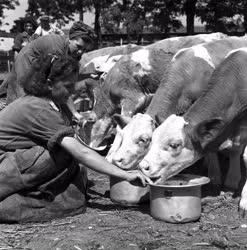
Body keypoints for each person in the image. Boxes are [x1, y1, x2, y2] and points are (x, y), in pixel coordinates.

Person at [0, 53, 150, 223]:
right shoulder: (39, 109)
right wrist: (124, 174)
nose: (72, 92)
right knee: (64, 153)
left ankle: (41, 196)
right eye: (68, 86)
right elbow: (81, 153)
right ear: (49, 84)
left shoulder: (39, 102)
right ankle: (16, 205)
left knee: (68, 161)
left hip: (10, 160)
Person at [0, 21, 97, 121]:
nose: (81, 52)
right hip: (28, 60)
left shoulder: (74, 54)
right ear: (69, 39)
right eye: (79, 47)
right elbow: (60, 84)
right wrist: (75, 113)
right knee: (26, 100)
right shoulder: (56, 48)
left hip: (43, 63)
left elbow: (69, 82)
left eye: (85, 49)